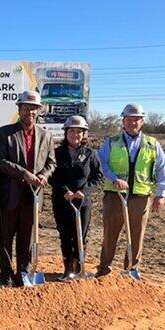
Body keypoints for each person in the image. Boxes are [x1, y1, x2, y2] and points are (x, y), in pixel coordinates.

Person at [96, 103, 165, 277]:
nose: (132, 123)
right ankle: (104, 268)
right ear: (123, 121)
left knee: (137, 235)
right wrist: (115, 179)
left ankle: (131, 269)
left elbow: (161, 169)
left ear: (142, 122)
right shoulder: (111, 142)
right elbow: (102, 164)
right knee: (110, 234)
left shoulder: (152, 144)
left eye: (136, 119)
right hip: (115, 196)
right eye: (129, 119)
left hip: (140, 197)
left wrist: (160, 195)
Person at [0, 90, 56, 286]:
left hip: (34, 195)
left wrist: (44, 175)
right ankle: (5, 273)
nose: (30, 112)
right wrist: (24, 174)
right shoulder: (5, 132)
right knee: (5, 236)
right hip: (10, 194)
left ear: (39, 111)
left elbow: (52, 163)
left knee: (27, 237)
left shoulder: (46, 136)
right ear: (19, 109)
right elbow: (1, 161)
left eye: (34, 109)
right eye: (26, 108)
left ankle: (23, 272)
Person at [49, 116, 103, 279]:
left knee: (80, 235)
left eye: (79, 131)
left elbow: (98, 177)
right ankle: (68, 269)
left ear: (84, 134)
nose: (75, 134)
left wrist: (84, 191)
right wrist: (64, 190)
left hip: (82, 202)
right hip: (62, 200)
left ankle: (80, 269)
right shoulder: (56, 153)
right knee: (65, 235)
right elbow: (51, 175)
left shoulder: (90, 154)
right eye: (72, 131)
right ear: (66, 133)